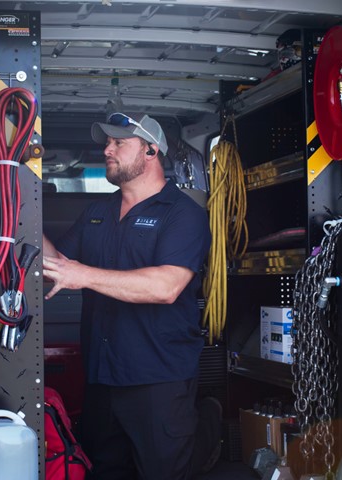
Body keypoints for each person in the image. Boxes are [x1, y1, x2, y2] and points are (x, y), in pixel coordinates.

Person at [42, 112, 221, 480]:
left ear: (151, 151)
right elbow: (57, 264)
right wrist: (22, 214)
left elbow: (165, 287)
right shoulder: (97, 212)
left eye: (119, 143)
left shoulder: (183, 215)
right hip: (102, 380)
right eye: (107, 143)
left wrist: (84, 274)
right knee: (104, 472)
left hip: (157, 382)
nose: (107, 149)